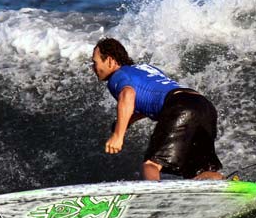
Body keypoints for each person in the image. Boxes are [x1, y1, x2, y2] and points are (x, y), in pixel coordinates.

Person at [90, 37, 223, 181]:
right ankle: (225, 186)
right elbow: (153, 97)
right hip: (204, 105)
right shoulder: (146, 69)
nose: (93, 67)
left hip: (180, 106)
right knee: (199, 170)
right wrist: (129, 120)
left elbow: (127, 94)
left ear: (109, 60)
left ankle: (156, 200)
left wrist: (118, 135)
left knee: (151, 165)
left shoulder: (117, 76)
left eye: (95, 62)